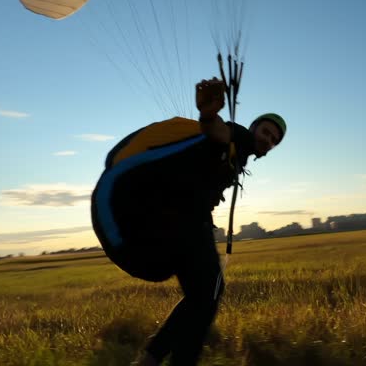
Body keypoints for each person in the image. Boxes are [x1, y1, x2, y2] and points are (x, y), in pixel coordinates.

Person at [90, 77, 286, 365]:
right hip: (178, 219)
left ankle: (151, 359)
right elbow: (218, 132)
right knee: (209, 293)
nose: (267, 140)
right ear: (254, 126)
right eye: (267, 131)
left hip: (164, 220)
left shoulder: (234, 157)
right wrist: (208, 115)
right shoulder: (239, 137)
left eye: (274, 140)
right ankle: (161, 358)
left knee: (204, 296)